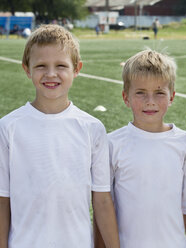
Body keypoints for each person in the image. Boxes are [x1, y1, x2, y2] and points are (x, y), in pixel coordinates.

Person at [0, 24, 119, 248]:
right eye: (41, 65)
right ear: (27, 69)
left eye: (61, 65)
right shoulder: (8, 128)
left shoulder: (92, 128)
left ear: (77, 68)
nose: (51, 74)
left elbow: (102, 201)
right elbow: (2, 201)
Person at [95, 49, 186, 248]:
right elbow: (103, 206)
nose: (150, 101)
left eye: (159, 93)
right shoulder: (112, 144)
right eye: (141, 93)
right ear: (125, 97)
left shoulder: (185, 143)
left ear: (172, 97)